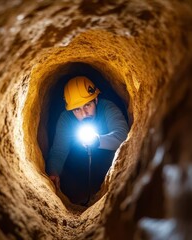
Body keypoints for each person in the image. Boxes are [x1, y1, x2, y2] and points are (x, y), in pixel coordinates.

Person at [46, 76, 129, 205]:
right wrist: (53, 172)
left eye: (87, 105)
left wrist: (97, 140)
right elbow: (58, 152)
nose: (84, 114)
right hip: (78, 171)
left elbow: (124, 136)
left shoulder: (107, 107)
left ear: (96, 99)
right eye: (77, 109)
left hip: (109, 166)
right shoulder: (66, 119)